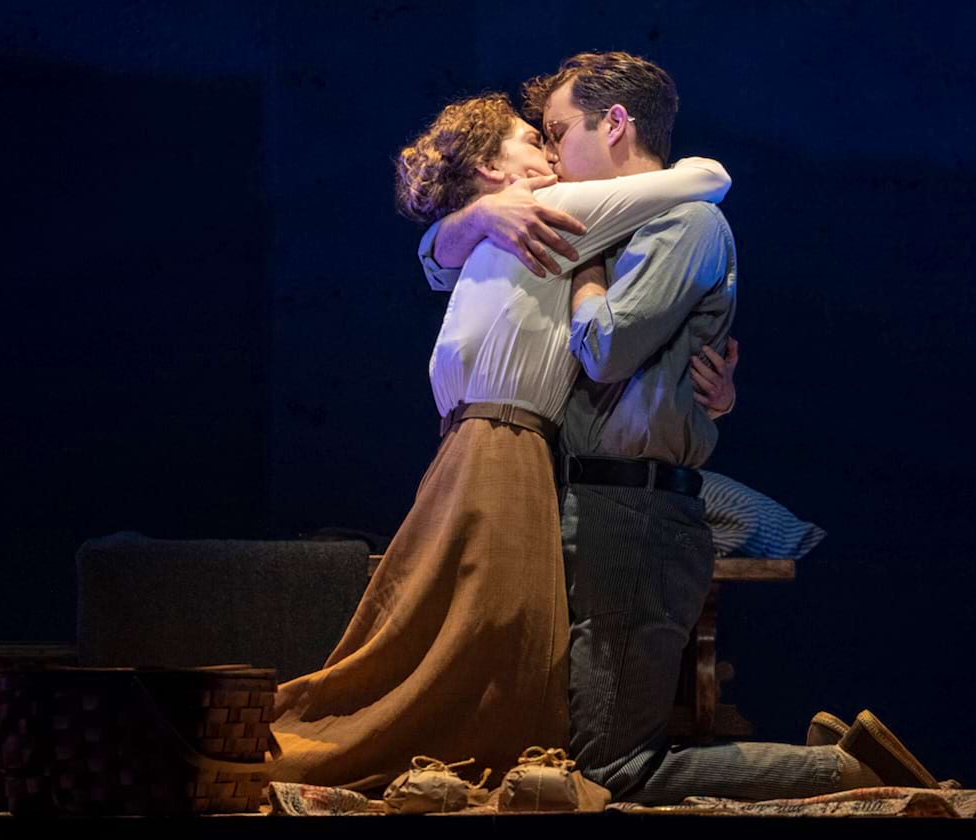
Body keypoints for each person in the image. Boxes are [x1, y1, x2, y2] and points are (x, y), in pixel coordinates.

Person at [420, 51, 940, 804]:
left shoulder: (683, 223)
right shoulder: (608, 221)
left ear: (616, 124)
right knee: (554, 736)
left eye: (560, 132)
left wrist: (587, 272)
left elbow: (603, 350)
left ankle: (838, 772)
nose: (552, 152)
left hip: (629, 511)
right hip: (583, 500)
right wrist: (471, 218)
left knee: (610, 766)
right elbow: (438, 262)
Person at [269, 91, 735, 791]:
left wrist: (470, 220)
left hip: (479, 441)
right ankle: (425, 753)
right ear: (491, 169)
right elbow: (707, 177)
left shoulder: (512, 224)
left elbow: (433, 257)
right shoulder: (550, 213)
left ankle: (398, 747)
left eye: (553, 135)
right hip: (502, 444)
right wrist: (487, 216)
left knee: (453, 623)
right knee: (489, 627)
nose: (548, 152)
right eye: (531, 140)